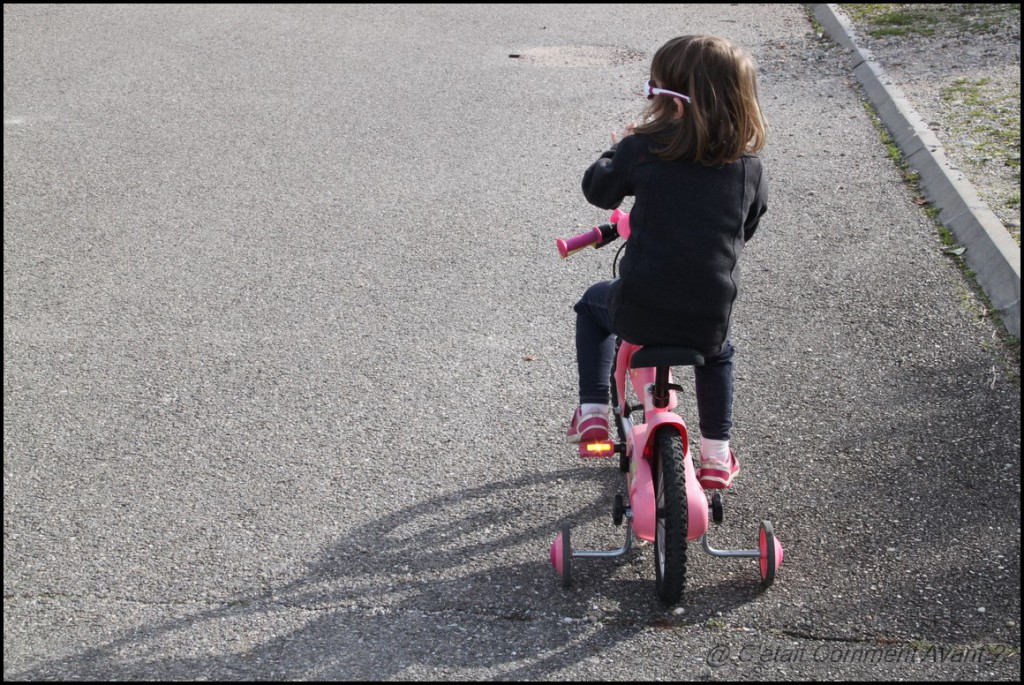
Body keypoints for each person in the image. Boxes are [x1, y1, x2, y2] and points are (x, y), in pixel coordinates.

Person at [566, 34, 768, 490]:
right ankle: (716, 453)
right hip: (707, 316)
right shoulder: (747, 167)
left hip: (639, 309)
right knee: (717, 356)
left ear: (668, 102)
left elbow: (598, 191)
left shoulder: (642, 150)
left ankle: (595, 409)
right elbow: (747, 228)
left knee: (591, 307)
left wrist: (614, 151)